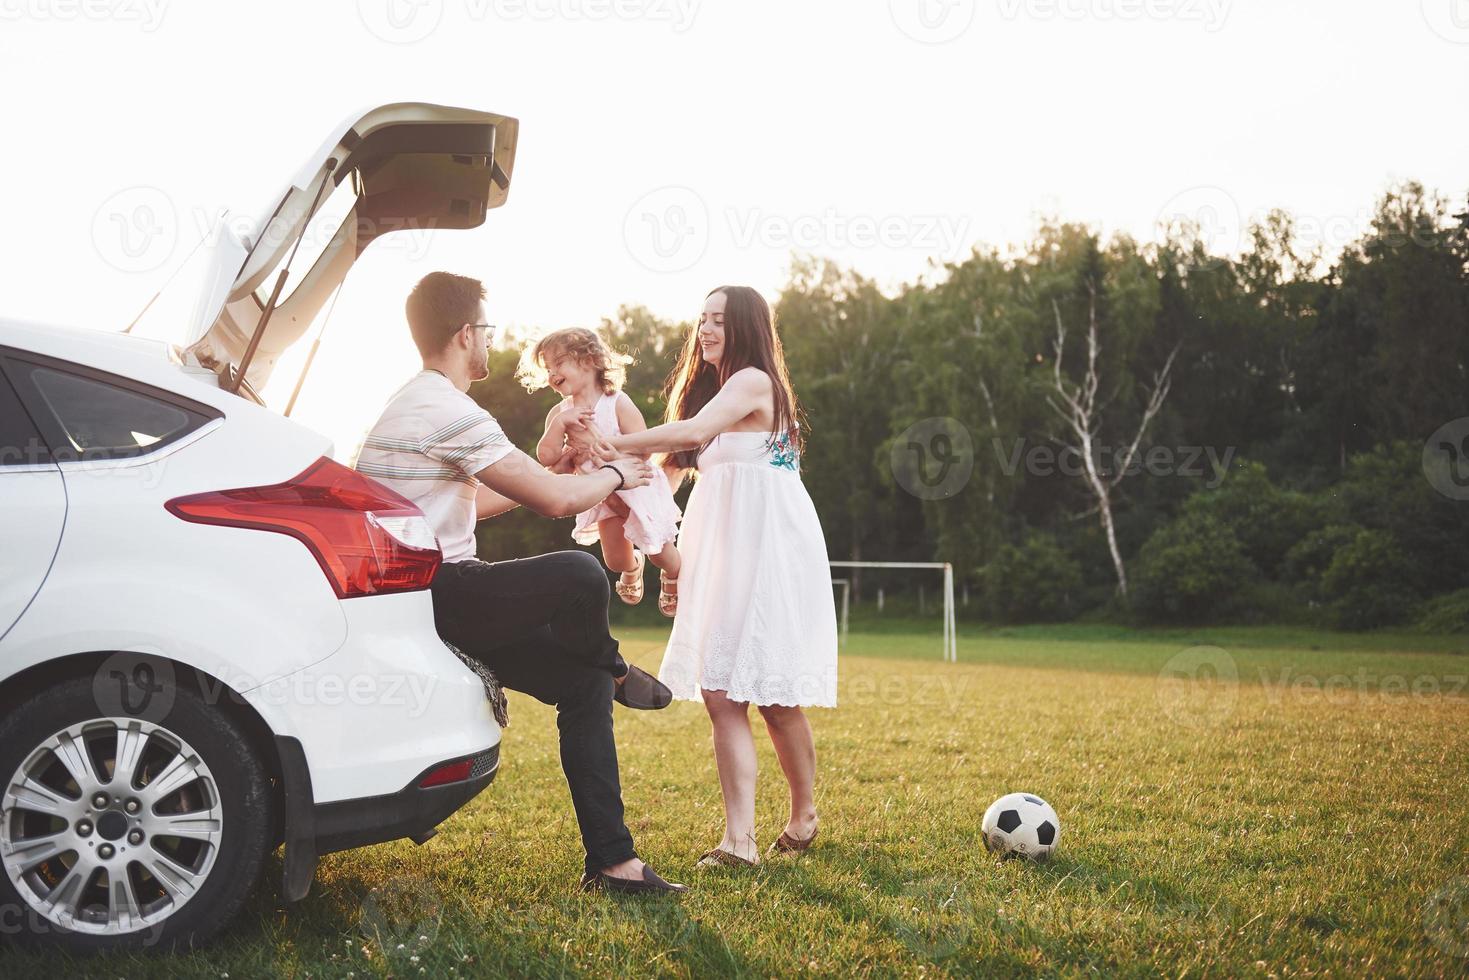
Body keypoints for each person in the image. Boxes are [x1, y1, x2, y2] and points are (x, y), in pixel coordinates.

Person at [353, 271, 688, 894]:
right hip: (431, 592)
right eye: (487, 329)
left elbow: (475, 504)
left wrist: (557, 465)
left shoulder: (427, 404)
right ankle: (616, 665)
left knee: (580, 686)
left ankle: (614, 863)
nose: (490, 341)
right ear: (465, 333)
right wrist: (619, 476)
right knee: (580, 570)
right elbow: (557, 503)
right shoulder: (443, 406)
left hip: (441, 588)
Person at [570, 285, 839, 867]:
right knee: (722, 693)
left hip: (768, 550)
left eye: (718, 320)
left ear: (746, 327)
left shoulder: (753, 384)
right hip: (722, 552)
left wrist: (610, 441)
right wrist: (634, 534)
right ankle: (739, 840)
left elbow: (687, 435)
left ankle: (803, 813)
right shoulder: (715, 397)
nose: (706, 330)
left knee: (774, 696)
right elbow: (658, 485)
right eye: (702, 320)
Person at [519, 327, 682, 615]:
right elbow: (547, 457)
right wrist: (559, 427)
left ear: (590, 359)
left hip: (637, 487)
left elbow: (645, 448)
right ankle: (632, 566)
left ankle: (673, 574)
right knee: (614, 560)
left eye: (558, 363)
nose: (551, 374)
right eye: (547, 368)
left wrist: (611, 452)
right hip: (601, 491)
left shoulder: (617, 402)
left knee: (658, 550)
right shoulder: (560, 413)